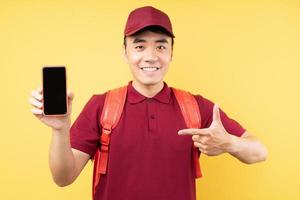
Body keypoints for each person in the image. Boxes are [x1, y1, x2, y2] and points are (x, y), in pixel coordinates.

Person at [29, 6, 267, 200]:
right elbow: (63, 178)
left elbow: (259, 152)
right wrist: (60, 129)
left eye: (161, 46)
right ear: (125, 52)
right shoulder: (101, 106)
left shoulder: (197, 106)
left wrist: (229, 143)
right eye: (139, 46)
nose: (151, 56)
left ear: (171, 53)